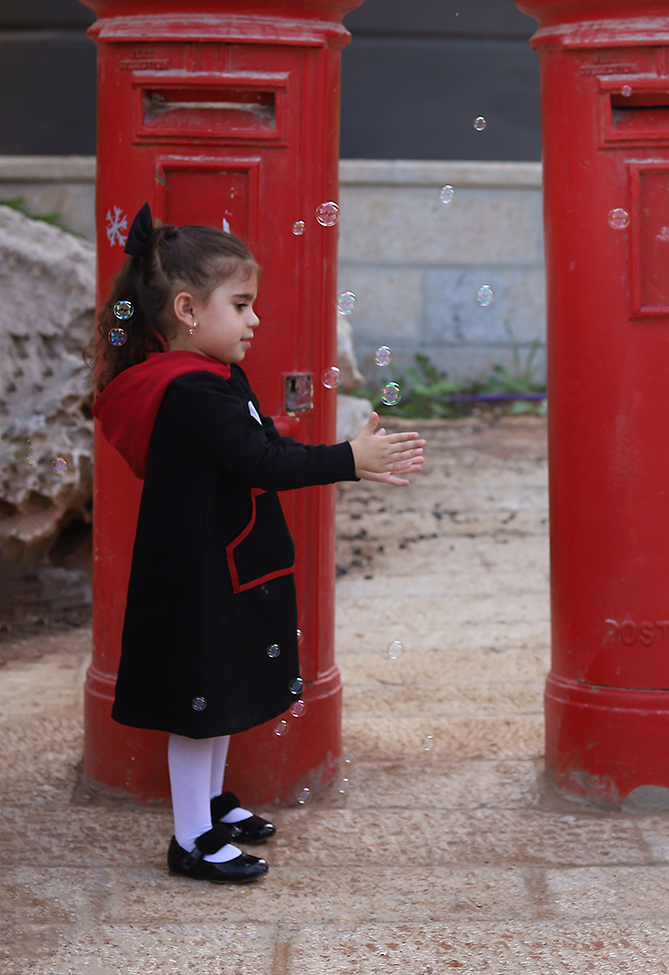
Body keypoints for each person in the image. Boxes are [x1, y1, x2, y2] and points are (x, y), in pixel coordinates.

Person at [90, 207, 426, 882]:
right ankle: (191, 840)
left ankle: (211, 804)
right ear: (187, 310)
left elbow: (251, 445)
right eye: (241, 305)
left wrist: (285, 434)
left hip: (221, 565)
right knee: (197, 708)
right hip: (197, 576)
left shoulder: (212, 377)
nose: (255, 320)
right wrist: (349, 458)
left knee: (214, 694)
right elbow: (261, 463)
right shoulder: (192, 389)